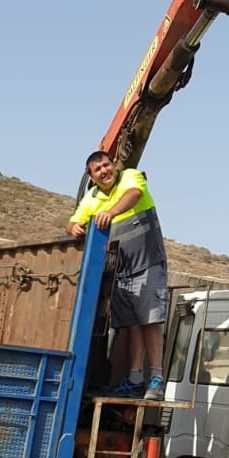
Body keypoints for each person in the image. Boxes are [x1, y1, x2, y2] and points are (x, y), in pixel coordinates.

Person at [67, 150, 168, 401]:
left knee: (150, 319)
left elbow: (134, 195)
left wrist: (109, 213)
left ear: (114, 164)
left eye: (106, 165)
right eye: (97, 169)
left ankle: (156, 377)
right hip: (121, 270)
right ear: (92, 177)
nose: (104, 171)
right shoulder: (91, 198)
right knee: (132, 323)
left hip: (147, 262)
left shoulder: (131, 178)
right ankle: (134, 379)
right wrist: (75, 227)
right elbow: (72, 222)